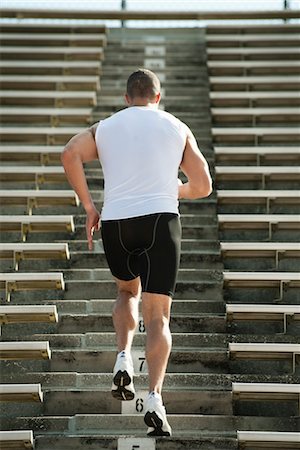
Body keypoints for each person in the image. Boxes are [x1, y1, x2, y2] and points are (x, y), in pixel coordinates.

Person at [61, 68, 212, 437]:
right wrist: (171, 189)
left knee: (127, 291)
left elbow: (69, 153)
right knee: (158, 315)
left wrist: (89, 207)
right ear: (157, 98)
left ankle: (122, 356)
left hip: (116, 222)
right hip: (161, 220)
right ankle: (156, 399)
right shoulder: (176, 127)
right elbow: (203, 186)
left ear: (127, 98)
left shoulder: (106, 127)